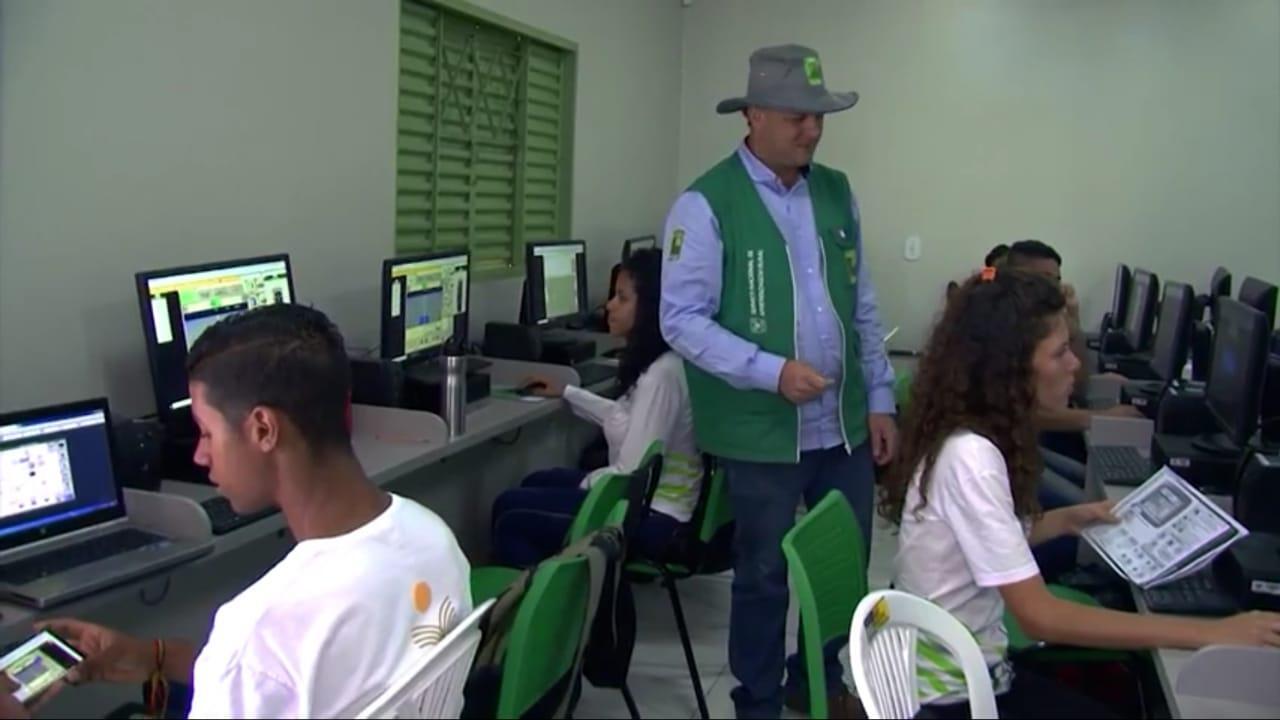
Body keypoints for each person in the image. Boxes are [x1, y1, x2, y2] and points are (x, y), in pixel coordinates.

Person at [876, 268, 1280, 719]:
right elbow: (1040, 617)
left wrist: (1067, 520)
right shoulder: (972, 457)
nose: (1075, 365)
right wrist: (1212, 633)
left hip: (969, 674)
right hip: (953, 697)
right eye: (1060, 352)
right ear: (1011, 369)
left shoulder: (969, 437)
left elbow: (983, 546)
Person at [41, 305, 471, 718]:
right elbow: (297, 681)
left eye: (206, 432)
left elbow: (264, 669)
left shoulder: (261, 630)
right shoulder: (434, 539)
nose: (199, 455)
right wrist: (152, 656)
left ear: (263, 429)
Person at [660, 44, 896, 718]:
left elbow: (862, 303)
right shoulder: (706, 204)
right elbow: (681, 320)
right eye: (797, 117)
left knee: (843, 567)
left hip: (842, 426)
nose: (812, 130)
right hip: (761, 431)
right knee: (763, 575)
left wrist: (881, 397)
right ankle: (757, 699)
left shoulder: (836, 191)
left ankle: (815, 677)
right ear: (754, 115)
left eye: (819, 117)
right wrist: (771, 372)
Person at [492, 248, 701, 566]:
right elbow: (624, 417)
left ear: (650, 307)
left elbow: (629, 475)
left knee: (511, 516)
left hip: (654, 517)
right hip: (646, 502)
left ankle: (552, 595)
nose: (609, 306)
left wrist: (586, 483)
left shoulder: (661, 377)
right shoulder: (662, 362)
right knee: (534, 483)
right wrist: (567, 392)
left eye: (622, 298)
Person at [1004, 239, 1143, 433]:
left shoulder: (1042, 318)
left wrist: (1073, 322)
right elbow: (1022, 414)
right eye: (1045, 279)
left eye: (1057, 280)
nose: (1054, 287)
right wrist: (1099, 418)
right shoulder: (1004, 325)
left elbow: (1079, 385)